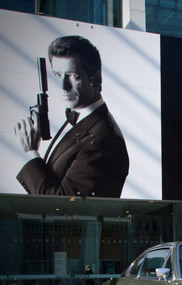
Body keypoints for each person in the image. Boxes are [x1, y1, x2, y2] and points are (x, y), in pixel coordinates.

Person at [14, 35, 129, 198]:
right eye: (58, 75)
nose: (63, 87)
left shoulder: (103, 140)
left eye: (73, 76)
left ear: (95, 79)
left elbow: (63, 204)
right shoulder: (82, 120)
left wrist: (31, 152)